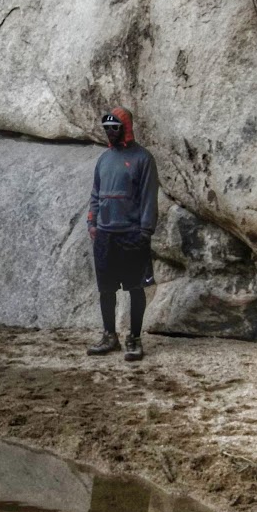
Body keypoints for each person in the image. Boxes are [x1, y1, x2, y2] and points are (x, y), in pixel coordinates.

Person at [87, 105, 158, 359]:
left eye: (114, 128)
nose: (109, 133)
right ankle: (109, 336)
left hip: (132, 234)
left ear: (125, 128)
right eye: (106, 128)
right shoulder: (104, 159)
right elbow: (95, 194)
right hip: (105, 234)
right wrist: (92, 223)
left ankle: (135, 338)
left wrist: (145, 230)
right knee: (106, 289)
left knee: (135, 288)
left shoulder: (143, 158)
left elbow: (149, 197)